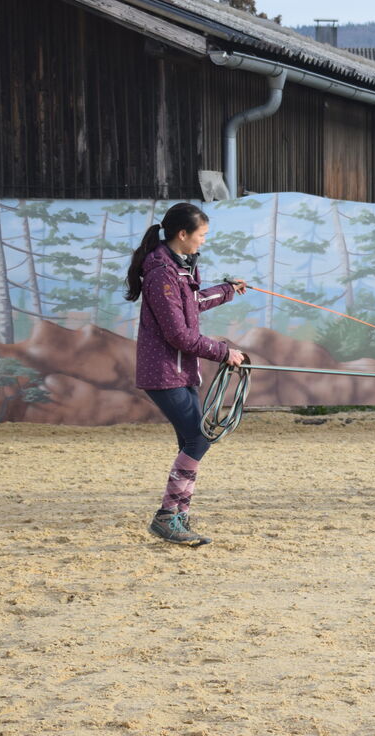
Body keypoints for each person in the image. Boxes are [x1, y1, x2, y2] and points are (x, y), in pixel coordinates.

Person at [124, 202, 246, 547]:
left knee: (191, 441)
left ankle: (178, 516)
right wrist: (225, 352)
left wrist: (227, 290)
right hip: (165, 372)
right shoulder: (163, 273)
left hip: (181, 371)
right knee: (198, 439)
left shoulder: (177, 269)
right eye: (201, 235)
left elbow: (190, 304)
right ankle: (167, 517)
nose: (203, 242)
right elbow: (178, 334)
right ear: (183, 235)